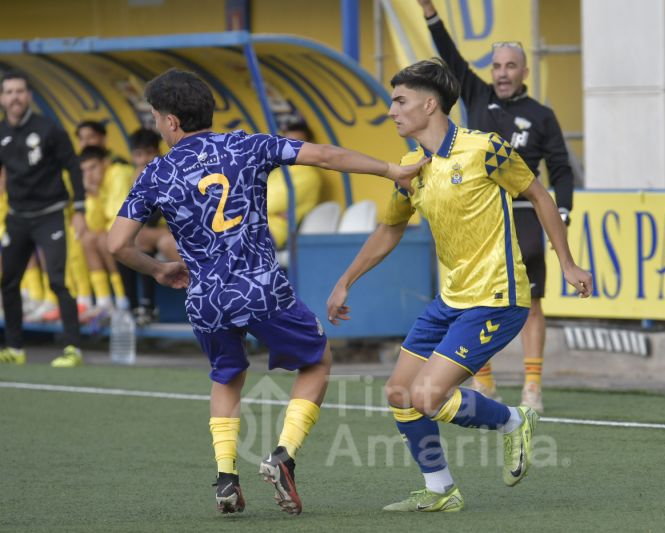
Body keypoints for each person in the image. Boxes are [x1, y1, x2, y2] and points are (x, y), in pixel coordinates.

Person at [107, 68, 427, 515]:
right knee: (317, 360)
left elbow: (116, 245)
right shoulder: (247, 144)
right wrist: (393, 169)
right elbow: (328, 157)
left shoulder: (154, 173)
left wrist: (159, 270)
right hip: (260, 288)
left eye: (157, 117)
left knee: (227, 375)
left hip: (206, 298)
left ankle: (225, 477)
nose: (158, 125)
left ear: (172, 122)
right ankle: (283, 455)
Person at [326, 59, 592, 512]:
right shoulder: (411, 167)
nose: (391, 111)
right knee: (399, 394)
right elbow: (390, 229)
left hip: (497, 298)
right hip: (451, 299)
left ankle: (513, 421)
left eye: (400, 101)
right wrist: (346, 280)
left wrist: (566, 262)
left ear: (430, 105)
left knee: (427, 397)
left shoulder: (485, 148)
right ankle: (440, 489)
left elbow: (539, 194)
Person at [417, 0, 577, 412]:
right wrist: (429, 10)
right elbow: (449, 55)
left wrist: (563, 211)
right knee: (472, 302)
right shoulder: (476, 94)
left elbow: (560, 169)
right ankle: (485, 384)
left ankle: (532, 387)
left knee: (533, 303)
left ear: (524, 71)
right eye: (497, 66)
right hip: (477, 219)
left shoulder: (540, 115)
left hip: (523, 219)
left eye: (510, 66)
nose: (502, 73)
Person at [0, 70, 87, 367]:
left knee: (58, 280)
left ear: (29, 96)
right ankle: (15, 347)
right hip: (17, 217)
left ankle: (73, 347)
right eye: (9, 92)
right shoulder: (2, 132)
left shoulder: (49, 129)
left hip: (50, 215)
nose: (15, 98)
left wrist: (79, 209)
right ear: (2, 98)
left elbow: (73, 167)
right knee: (9, 282)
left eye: (20, 92)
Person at [128, 127, 177, 325]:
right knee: (122, 240)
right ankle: (138, 305)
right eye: (139, 155)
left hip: (179, 231)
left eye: (149, 153)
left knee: (135, 237)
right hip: (159, 234)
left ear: (158, 152)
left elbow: (151, 216)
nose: (144, 160)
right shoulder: (138, 174)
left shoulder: (168, 169)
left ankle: (144, 305)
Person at [79, 146, 135, 318]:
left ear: (105, 162)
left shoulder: (118, 173)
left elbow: (119, 217)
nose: (89, 174)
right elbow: (94, 224)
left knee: (105, 240)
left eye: (93, 167)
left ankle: (122, 299)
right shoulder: (100, 182)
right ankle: (104, 301)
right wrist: (93, 195)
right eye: (85, 170)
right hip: (119, 231)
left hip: (140, 230)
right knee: (88, 239)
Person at [266, 117, 322, 249]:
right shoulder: (279, 171)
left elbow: (268, 203)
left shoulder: (309, 175)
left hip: (272, 232)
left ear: (310, 144)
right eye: (286, 143)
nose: (290, 148)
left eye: (297, 144)